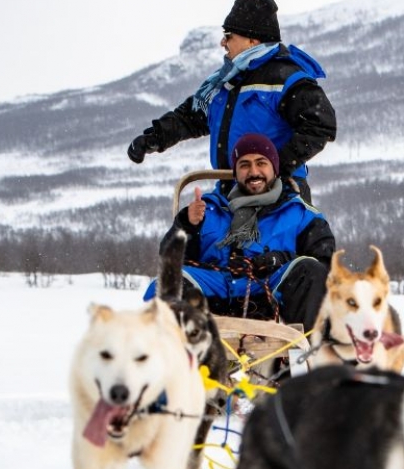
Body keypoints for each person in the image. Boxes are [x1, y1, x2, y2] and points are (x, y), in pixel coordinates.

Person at [126, 0, 336, 204]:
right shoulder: (225, 82)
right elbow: (189, 118)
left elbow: (321, 124)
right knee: (188, 223)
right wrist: (153, 138)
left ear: (252, 41)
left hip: (279, 196)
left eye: (229, 36)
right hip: (231, 192)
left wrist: (276, 167)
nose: (223, 42)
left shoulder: (286, 79)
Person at [143, 133, 334, 328]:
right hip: (216, 289)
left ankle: (312, 343)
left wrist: (280, 258)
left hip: (270, 289)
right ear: (235, 172)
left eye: (261, 163)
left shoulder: (301, 214)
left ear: (275, 169)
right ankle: (167, 343)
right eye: (244, 165)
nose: (254, 171)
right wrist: (187, 225)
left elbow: (324, 265)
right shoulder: (208, 209)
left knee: (309, 271)